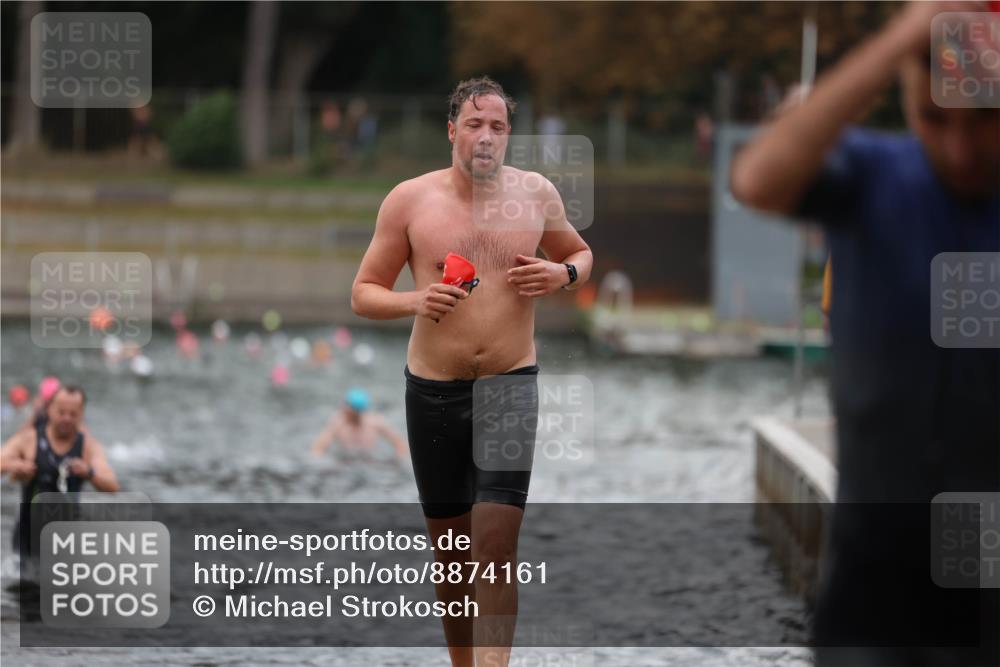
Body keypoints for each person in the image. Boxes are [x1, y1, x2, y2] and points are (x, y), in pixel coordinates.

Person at [730, 2, 999, 665]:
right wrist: (904, 35)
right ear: (905, 92)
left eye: (989, 121)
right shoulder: (872, 177)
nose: (962, 150)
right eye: (936, 119)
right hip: (873, 583)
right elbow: (757, 178)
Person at [351, 76, 593, 667]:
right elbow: (362, 293)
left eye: (499, 127)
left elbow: (580, 253)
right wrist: (415, 300)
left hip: (510, 384)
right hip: (433, 392)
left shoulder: (536, 195)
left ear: (509, 135)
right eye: (476, 124)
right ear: (453, 130)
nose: (487, 137)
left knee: (496, 543)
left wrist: (562, 276)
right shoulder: (409, 200)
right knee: (453, 558)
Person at [0, 385, 120, 559]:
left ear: (81, 415)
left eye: (73, 414)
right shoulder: (29, 439)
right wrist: (14, 466)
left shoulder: (88, 446)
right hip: (27, 537)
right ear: (49, 410)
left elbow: (112, 485)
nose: (66, 418)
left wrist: (89, 472)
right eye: (62, 412)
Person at [309, 388, 409, 464]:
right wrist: (318, 459)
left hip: (370, 461)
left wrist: (399, 460)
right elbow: (319, 446)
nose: (343, 409)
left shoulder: (375, 422)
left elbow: (399, 443)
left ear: (357, 412)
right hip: (345, 461)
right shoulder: (338, 423)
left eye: (347, 408)